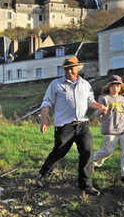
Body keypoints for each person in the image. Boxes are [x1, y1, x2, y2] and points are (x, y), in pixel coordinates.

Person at [37, 56, 108, 195]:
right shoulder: (56, 84)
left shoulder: (85, 85)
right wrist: (44, 120)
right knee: (59, 152)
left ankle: (86, 185)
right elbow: (46, 103)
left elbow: (90, 102)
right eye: (66, 68)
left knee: (87, 152)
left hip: (83, 125)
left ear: (78, 68)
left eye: (71, 68)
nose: (69, 70)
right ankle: (42, 174)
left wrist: (100, 107)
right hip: (65, 126)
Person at [91, 74, 124, 184]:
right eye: (113, 85)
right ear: (108, 86)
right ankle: (92, 163)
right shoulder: (104, 98)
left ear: (121, 87)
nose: (115, 88)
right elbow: (96, 113)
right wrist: (101, 111)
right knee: (107, 151)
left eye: (117, 85)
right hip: (110, 130)